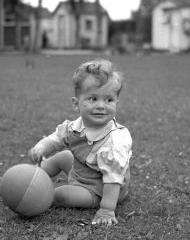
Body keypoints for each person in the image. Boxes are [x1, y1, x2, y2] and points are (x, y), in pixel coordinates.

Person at [28, 59, 132, 225]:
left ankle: (34, 195)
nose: (101, 106)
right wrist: (41, 148)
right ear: (76, 104)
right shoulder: (75, 127)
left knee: (62, 195)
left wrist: (106, 209)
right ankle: (29, 178)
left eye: (109, 100)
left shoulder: (115, 141)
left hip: (100, 190)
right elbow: (55, 139)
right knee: (63, 156)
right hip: (81, 172)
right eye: (93, 98)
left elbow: (113, 178)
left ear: (116, 103)